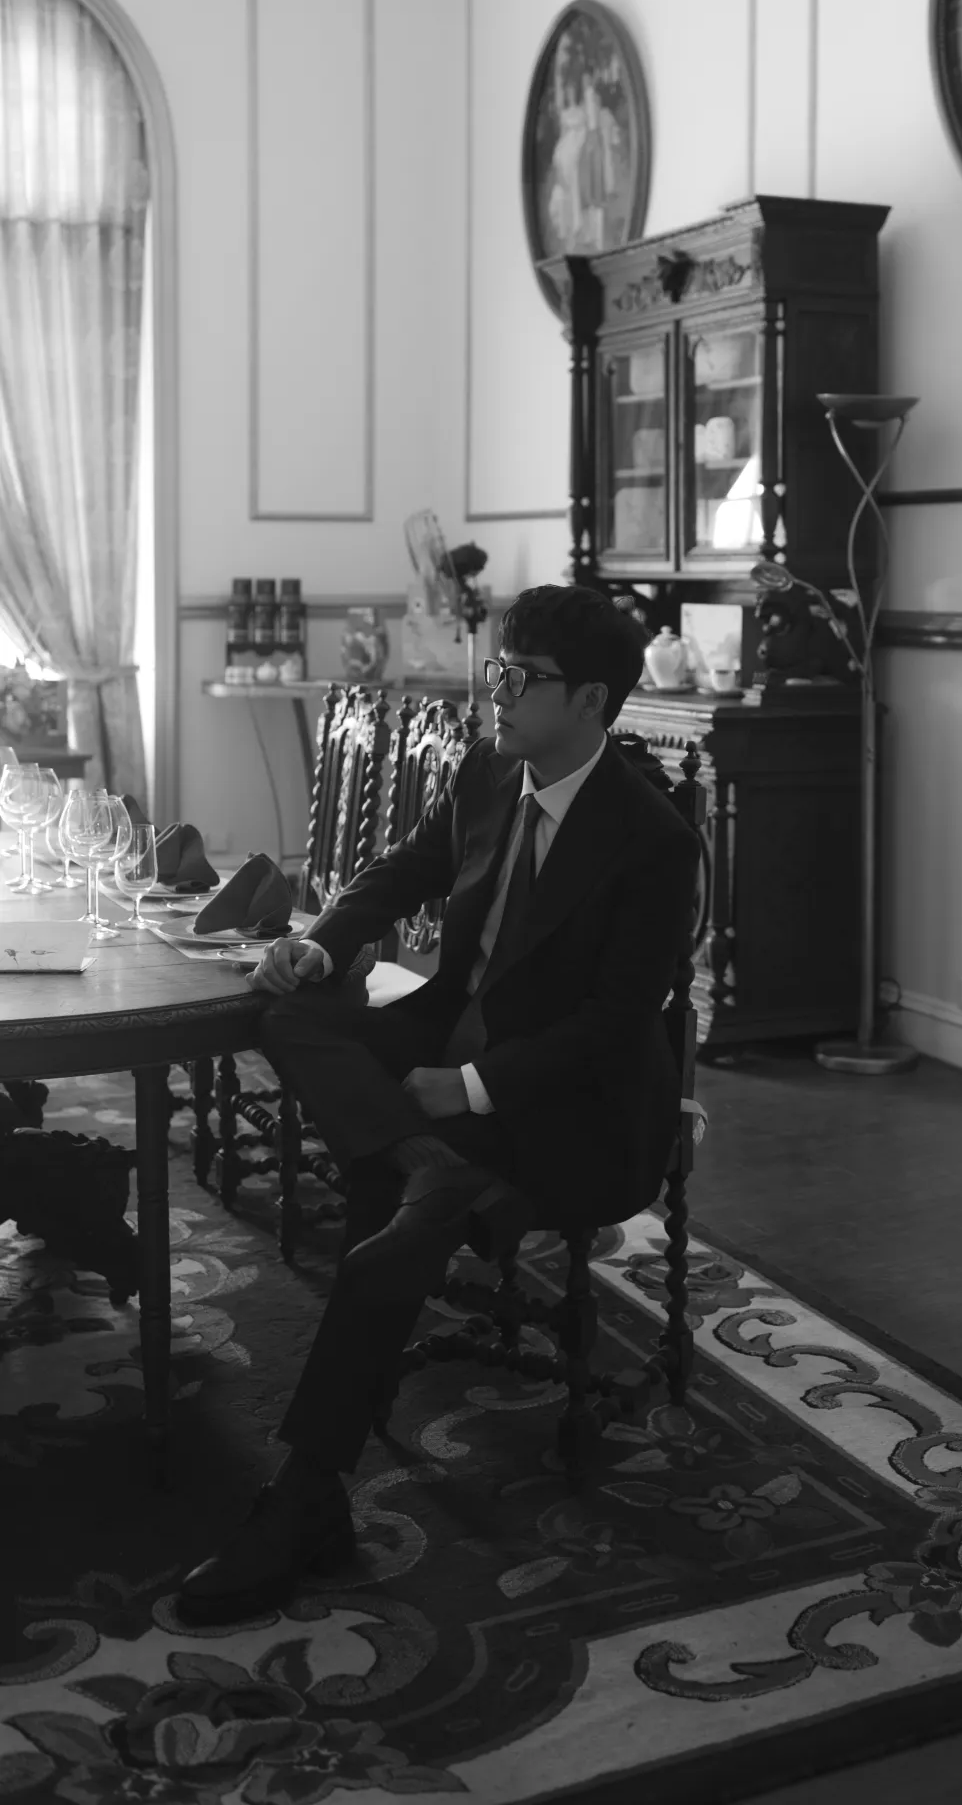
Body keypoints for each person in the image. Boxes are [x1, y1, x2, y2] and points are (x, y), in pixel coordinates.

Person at [178, 585, 700, 1624]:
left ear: (590, 697)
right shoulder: (485, 774)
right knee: (281, 1010)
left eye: (518, 677)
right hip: (444, 1054)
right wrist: (323, 938)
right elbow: (396, 873)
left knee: (385, 1250)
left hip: (569, 1105)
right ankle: (426, 1161)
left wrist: (463, 1088)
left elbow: (609, 1024)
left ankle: (305, 1497)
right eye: (493, 668)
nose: (492, 691)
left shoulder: (652, 838)